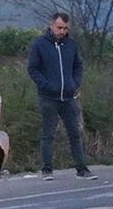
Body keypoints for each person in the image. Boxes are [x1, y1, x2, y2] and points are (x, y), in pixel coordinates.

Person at [28, 12, 95, 180]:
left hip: (69, 96)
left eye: (65, 28)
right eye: (59, 27)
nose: (62, 31)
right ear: (51, 25)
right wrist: (46, 85)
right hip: (48, 97)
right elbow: (33, 69)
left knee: (75, 133)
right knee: (48, 133)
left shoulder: (71, 45)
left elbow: (78, 66)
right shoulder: (39, 45)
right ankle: (47, 170)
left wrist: (75, 83)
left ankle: (82, 169)